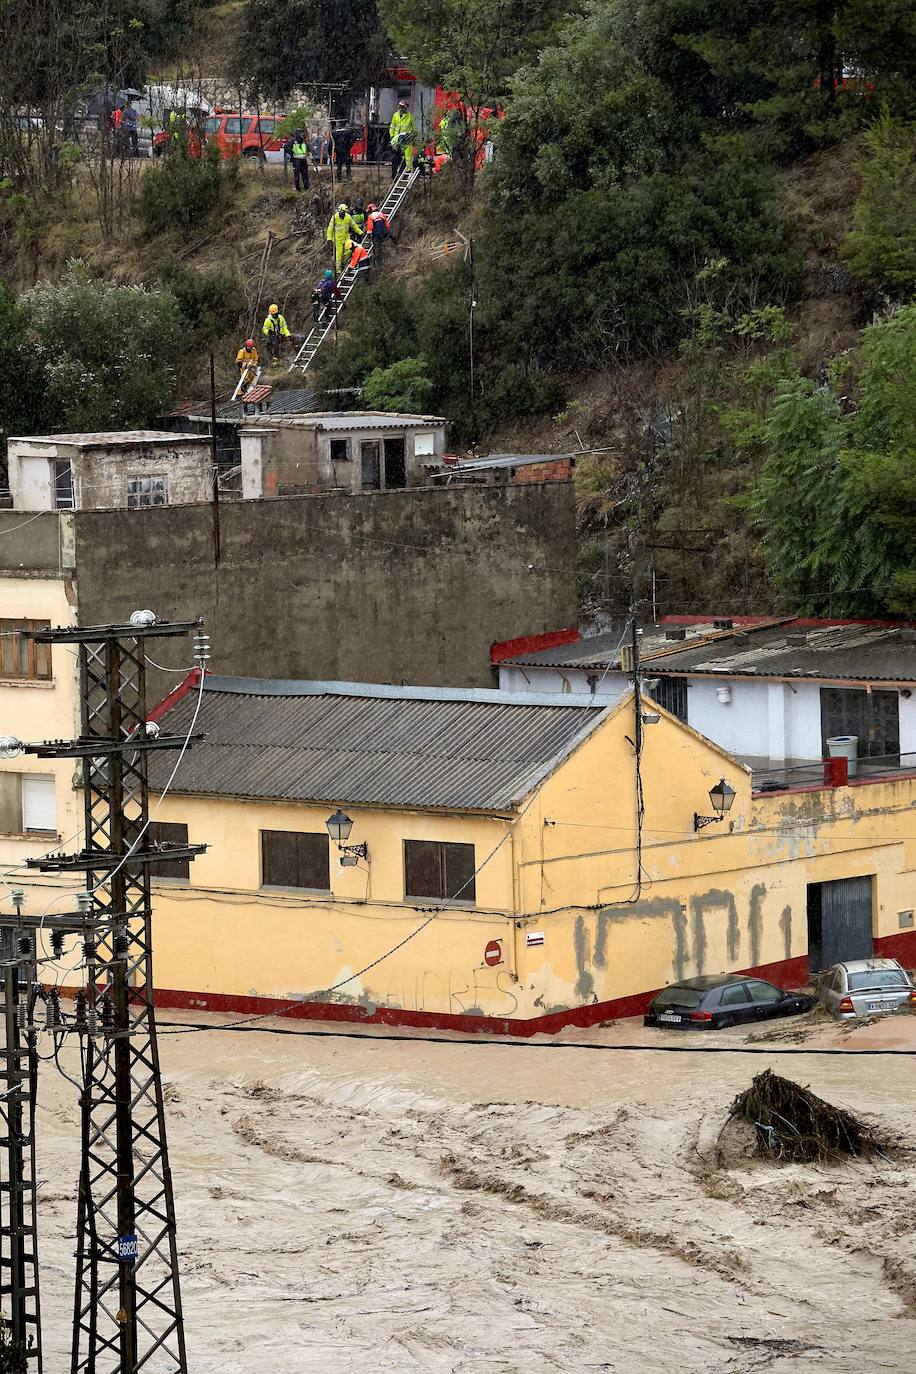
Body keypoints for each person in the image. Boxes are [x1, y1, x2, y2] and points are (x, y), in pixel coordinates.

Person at [388, 100, 417, 180]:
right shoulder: (395, 116)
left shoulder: (409, 116)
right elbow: (392, 127)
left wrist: (412, 136)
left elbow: (414, 128)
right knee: (395, 157)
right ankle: (395, 173)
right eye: (403, 108)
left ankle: (409, 172)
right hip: (397, 139)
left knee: (408, 156)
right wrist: (392, 136)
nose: (404, 109)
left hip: (406, 139)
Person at [326, 202, 358, 272]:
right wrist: (329, 238)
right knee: (338, 255)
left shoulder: (348, 217)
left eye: (342, 213)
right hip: (338, 240)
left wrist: (360, 232)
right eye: (340, 213)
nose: (341, 214)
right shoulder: (335, 217)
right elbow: (330, 228)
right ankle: (338, 270)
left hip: (346, 238)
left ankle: (344, 263)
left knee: (349, 250)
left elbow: (354, 225)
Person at [288, 127, 310, 192]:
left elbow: (308, 148)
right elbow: (287, 147)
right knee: (297, 175)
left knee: (305, 174)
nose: (303, 134)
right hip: (296, 160)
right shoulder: (293, 141)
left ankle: (306, 188)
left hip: (303, 160)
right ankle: (298, 189)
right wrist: (292, 153)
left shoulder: (304, 141)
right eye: (302, 133)